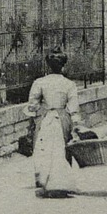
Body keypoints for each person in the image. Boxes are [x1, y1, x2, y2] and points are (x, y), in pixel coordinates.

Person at [25, 51, 83, 198]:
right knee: (62, 149)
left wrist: (32, 120)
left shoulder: (40, 82)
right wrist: (76, 124)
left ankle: (45, 182)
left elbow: (32, 105)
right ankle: (61, 183)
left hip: (45, 118)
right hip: (62, 118)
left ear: (48, 66)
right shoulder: (69, 84)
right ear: (63, 66)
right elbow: (74, 107)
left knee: (44, 149)